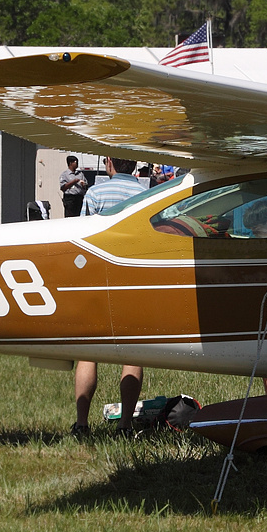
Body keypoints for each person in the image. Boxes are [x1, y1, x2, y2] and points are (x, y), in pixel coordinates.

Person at [72, 156, 151, 435]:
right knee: (132, 355)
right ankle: (126, 424)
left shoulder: (95, 193)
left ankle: (82, 424)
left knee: (88, 354)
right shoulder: (147, 194)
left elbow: (85, 237)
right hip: (132, 285)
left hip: (99, 282)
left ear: (109, 164)